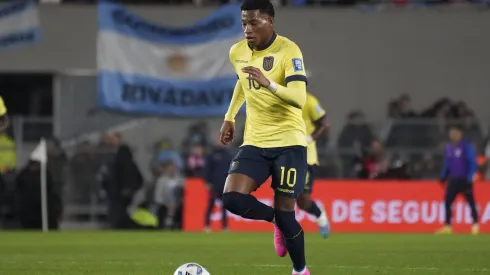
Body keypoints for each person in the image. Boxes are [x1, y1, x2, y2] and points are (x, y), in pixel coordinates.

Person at [220, 0, 310, 274]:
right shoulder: (237, 52)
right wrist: (230, 116)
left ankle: (300, 270)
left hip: (289, 142)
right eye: (244, 23)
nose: (248, 29)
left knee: (288, 214)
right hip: (256, 141)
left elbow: (298, 97)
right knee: (232, 198)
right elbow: (241, 80)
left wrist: (268, 83)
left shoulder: (288, 50)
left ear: (270, 21)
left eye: (254, 23)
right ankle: (275, 222)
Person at [297, 92, 330, 238]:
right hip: (286, 153)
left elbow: (324, 124)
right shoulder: (281, 98)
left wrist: (310, 138)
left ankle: (320, 215)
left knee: (303, 202)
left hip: (307, 157)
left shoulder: (309, 101)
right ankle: (284, 232)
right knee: (286, 197)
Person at [436, 126, 479, 235]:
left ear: (460, 133)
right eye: (451, 133)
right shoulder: (449, 147)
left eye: (454, 133)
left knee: (470, 202)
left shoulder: (467, 146)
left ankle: (475, 225)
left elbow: (472, 162)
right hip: (453, 180)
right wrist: (443, 176)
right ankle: (448, 226)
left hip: (464, 180)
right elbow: (447, 164)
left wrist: (470, 177)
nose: (452, 135)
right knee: (447, 202)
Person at [203, 134, 233, 232]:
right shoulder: (211, 155)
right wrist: (207, 182)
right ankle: (207, 225)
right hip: (214, 185)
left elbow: (231, 169)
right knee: (211, 204)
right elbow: (207, 170)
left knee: (225, 206)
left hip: (225, 184)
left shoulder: (228, 155)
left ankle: (224, 226)